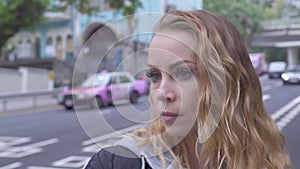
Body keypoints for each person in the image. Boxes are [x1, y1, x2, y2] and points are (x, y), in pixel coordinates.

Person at [84, 10, 291, 169]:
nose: (163, 93)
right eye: (155, 76)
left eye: (183, 73)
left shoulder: (263, 159)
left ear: (226, 81)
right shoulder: (118, 161)